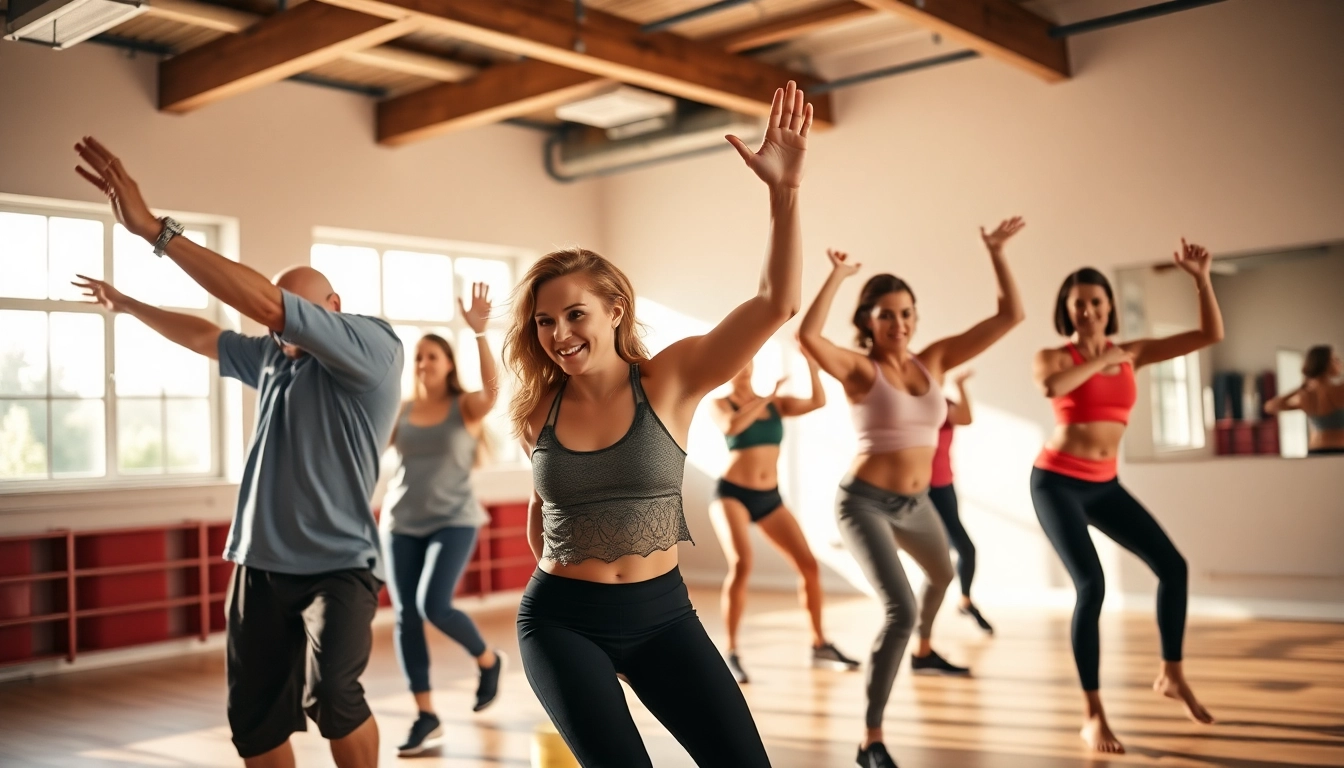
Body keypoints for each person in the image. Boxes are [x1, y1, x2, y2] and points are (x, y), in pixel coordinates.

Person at [504, 80, 812, 768]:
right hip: (559, 621)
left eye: (573, 314)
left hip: (663, 615)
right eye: (545, 321)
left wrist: (783, 192)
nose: (558, 334)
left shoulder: (670, 379)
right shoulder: (538, 408)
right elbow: (541, 509)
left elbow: (775, 302)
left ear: (613, 308)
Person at [72, 137, 402, 768]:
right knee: (253, 721)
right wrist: (128, 304)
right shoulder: (275, 358)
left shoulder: (373, 350)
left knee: (334, 695)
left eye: (299, 313)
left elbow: (264, 303)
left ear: (333, 310)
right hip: (258, 564)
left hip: (337, 566)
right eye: (281, 319)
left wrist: (155, 232)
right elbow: (210, 335)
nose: (284, 326)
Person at [799, 219, 1027, 768]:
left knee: (945, 573)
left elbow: (1010, 316)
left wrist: (996, 252)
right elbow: (806, 338)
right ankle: (870, 739)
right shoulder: (859, 369)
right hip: (864, 503)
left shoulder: (936, 360)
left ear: (915, 318)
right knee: (899, 609)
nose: (897, 323)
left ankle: (924, 654)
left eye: (905, 313)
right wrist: (835, 276)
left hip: (917, 503)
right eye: (885, 314)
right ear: (867, 322)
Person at [1030, 241, 1223, 755]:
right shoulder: (1054, 355)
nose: (1089, 311)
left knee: (1173, 567)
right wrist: (1104, 359)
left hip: (1105, 484)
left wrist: (1201, 278)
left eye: (1096, 302)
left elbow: (1210, 334)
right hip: (1056, 483)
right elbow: (1054, 387)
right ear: (1066, 311)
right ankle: (1092, 715)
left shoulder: (1131, 353)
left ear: (1110, 305)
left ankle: (1172, 674)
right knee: (1091, 586)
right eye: (1078, 304)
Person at [382, 284, 507, 757]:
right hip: (400, 523)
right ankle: (426, 715)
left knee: (435, 605)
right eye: (418, 357)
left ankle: (488, 660)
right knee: (406, 616)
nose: (423, 364)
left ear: (448, 364)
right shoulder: (403, 412)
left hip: (454, 520)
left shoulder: (465, 407)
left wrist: (479, 334)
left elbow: (494, 391)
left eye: (432, 356)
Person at [709, 347, 860, 684]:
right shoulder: (721, 403)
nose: (743, 368)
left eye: (746, 360)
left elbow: (817, 401)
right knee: (741, 563)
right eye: (736, 362)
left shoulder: (776, 404)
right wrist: (768, 398)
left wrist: (811, 362)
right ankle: (731, 652)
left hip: (769, 497)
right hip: (732, 494)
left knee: (808, 565)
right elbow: (732, 425)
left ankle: (820, 644)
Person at [927, 369, 993, 634]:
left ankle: (965, 600)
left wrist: (959, 386)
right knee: (933, 556)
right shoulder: (909, 404)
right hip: (916, 490)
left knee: (965, 549)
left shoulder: (944, 405)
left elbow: (965, 418)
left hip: (944, 487)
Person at [1264, 344, 1344, 455]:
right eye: (1335, 359)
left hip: (1315, 451)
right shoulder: (1341, 390)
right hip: (1340, 450)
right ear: (1325, 364)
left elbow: (1271, 407)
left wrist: (1299, 388)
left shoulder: (1306, 396)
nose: (1340, 363)